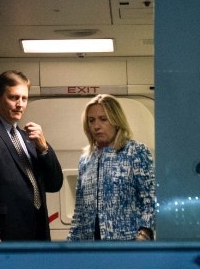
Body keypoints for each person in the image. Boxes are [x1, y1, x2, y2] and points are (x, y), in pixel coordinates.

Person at [0, 70, 64, 241]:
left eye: (24, 98)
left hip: (37, 229)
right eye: (14, 98)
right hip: (5, 230)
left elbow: (54, 183)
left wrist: (44, 147)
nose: (20, 104)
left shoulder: (28, 138)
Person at [67, 94, 156, 241]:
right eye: (91, 120)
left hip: (129, 245)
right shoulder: (86, 160)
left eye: (103, 119)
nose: (96, 126)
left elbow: (151, 199)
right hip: (91, 246)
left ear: (116, 121)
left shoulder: (135, 151)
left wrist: (143, 234)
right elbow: (79, 213)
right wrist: (68, 248)